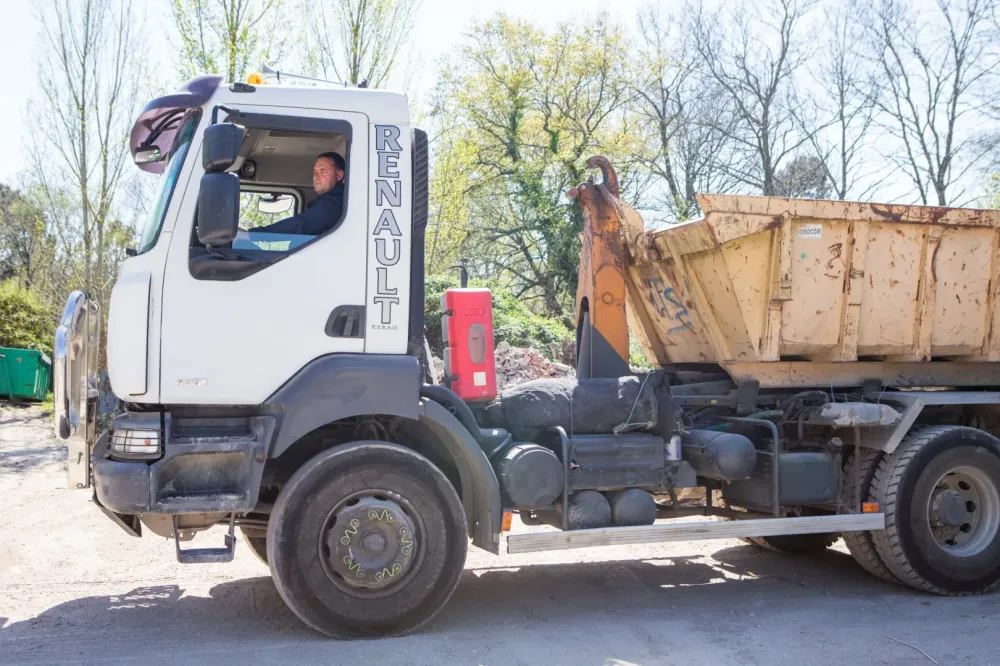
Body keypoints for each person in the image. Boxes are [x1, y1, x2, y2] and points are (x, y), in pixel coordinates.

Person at [252, 152, 345, 235]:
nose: (316, 177)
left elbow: (301, 224)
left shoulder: (333, 201)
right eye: (314, 172)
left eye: (322, 171)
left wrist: (255, 235)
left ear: (339, 175)